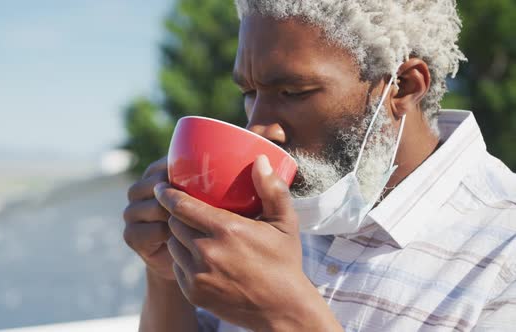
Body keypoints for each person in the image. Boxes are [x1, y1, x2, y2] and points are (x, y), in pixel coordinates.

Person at [123, 1, 516, 331]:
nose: (258, 127)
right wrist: (166, 274)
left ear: (403, 86)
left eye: (293, 92)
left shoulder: (504, 249)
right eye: (249, 93)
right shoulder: (267, 213)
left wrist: (288, 316)